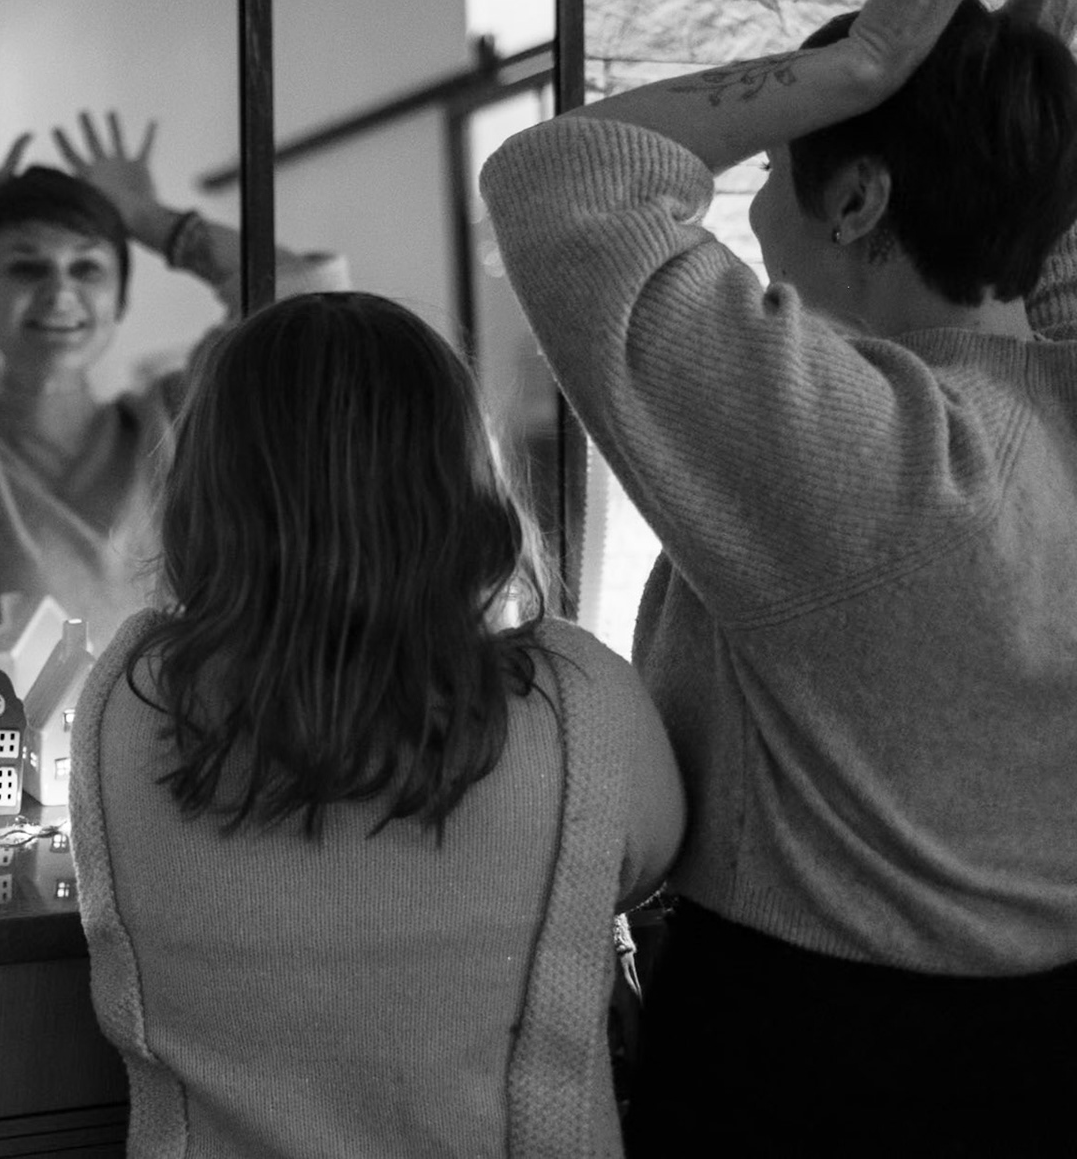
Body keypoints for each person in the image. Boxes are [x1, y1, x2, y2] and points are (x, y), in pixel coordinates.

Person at [480, 0, 1077, 1151]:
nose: (752, 213)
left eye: (769, 175)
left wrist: (860, 66)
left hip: (819, 1064)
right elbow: (1044, 287)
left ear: (856, 202)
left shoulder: (879, 452)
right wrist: (1018, 131)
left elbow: (563, 178)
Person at [68, 292, 685, 1157]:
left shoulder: (131, 699)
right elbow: (649, 858)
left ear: (209, 488)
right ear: (460, 483)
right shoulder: (578, 702)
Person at [0, 113, 347, 647]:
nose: (60, 293)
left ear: (120, 300)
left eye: (87, 268)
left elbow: (305, 299)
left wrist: (147, 217)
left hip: (179, 714)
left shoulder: (179, 420)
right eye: (26, 267)